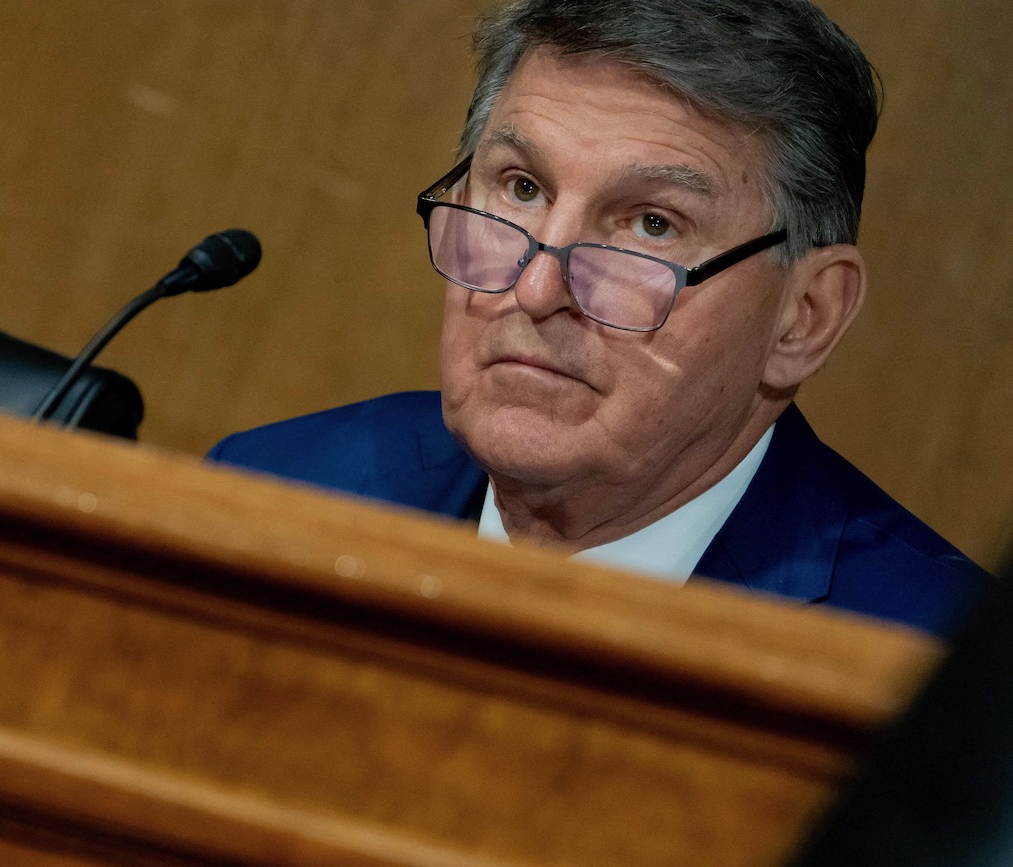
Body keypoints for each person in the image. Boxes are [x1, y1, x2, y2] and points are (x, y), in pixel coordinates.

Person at [208, 0, 990, 638]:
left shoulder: (943, 688)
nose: (539, 285)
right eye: (520, 188)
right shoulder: (272, 494)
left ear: (803, 319)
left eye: (652, 224)